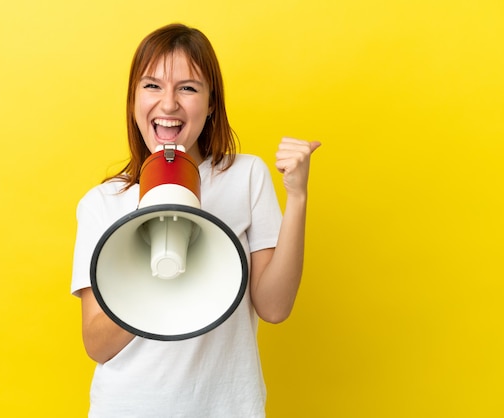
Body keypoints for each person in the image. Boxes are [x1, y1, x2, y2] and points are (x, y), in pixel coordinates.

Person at [71, 23, 320, 417]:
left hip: (227, 407)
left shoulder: (246, 176)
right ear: (133, 99)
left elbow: (274, 307)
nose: (168, 104)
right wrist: (157, 271)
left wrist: (298, 196)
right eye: (152, 85)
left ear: (211, 103)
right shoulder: (101, 203)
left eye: (188, 88)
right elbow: (97, 345)